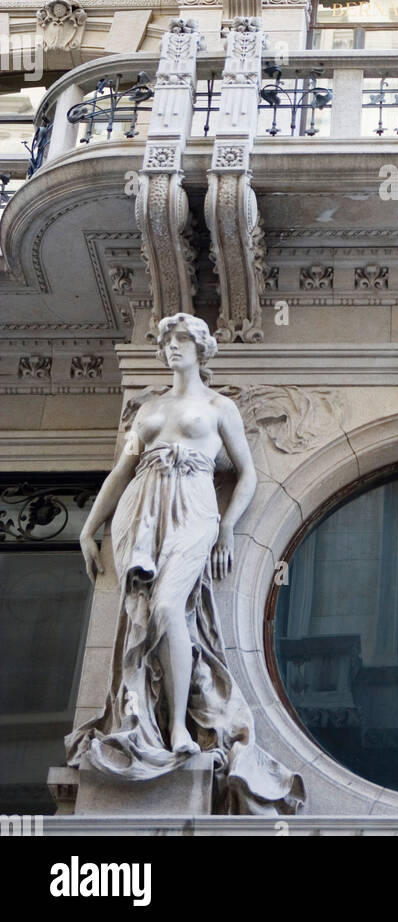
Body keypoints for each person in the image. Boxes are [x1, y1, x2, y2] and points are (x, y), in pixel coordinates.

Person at [66, 313, 304, 815]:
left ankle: (177, 726)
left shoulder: (219, 407)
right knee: (146, 612)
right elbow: (121, 471)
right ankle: (149, 722)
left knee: (170, 605)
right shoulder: (149, 408)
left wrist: (227, 526)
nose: (172, 349)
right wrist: (89, 527)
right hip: (142, 508)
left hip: (195, 507)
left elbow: (247, 475)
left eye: (182, 341)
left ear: (201, 349)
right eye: (166, 342)